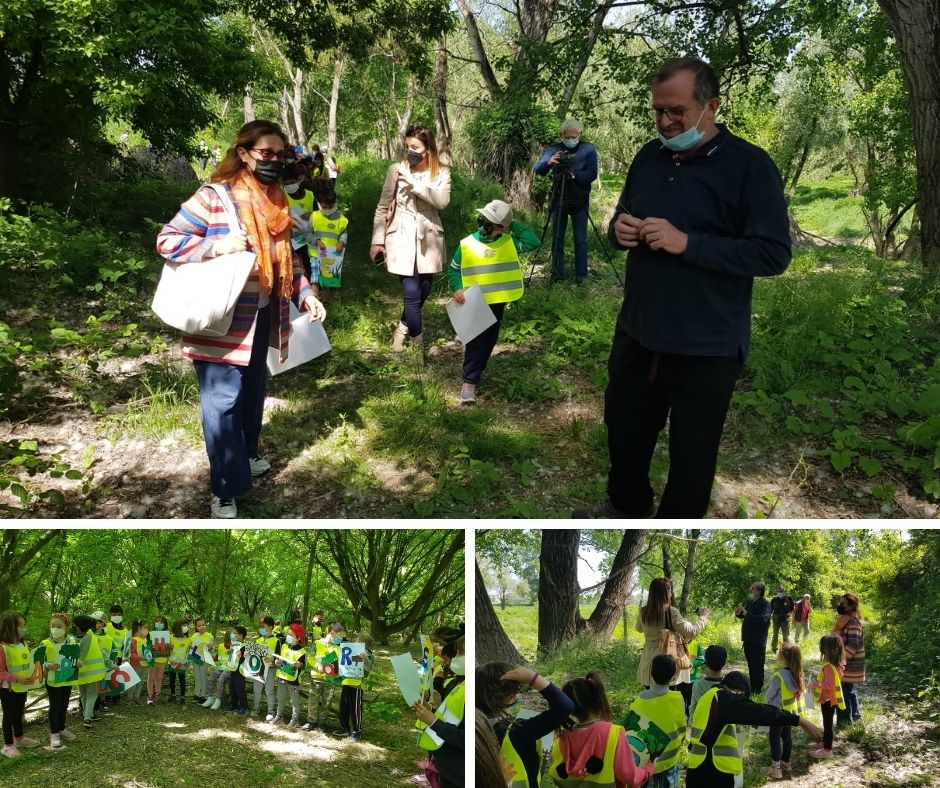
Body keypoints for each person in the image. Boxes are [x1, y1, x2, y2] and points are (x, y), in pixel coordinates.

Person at [576, 57, 791, 520]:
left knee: (692, 456)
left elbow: (773, 254)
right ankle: (626, 508)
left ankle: (671, 526)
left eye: (676, 111)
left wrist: (688, 243)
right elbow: (620, 218)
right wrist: (620, 231)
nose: (665, 122)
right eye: (658, 111)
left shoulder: (749, 166)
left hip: (707, 342)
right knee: (624, 431)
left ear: (710, 106)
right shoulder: (647, 157)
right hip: (638, 330)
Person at [156, 119, 326, 519]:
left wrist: (305, 294)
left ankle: (247, 454)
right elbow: (166, 239)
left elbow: (291, 260)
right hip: (222, 317)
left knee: (252, 395)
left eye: (280, 155)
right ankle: (225, 488)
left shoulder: (277, 200)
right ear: (245, 152)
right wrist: (218, 246)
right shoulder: (215, 197)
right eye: (266, 153)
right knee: (222, 402)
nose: (273, 161)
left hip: (262, 313)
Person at [449, 199, 540, 404]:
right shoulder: (467, 244)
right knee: (476, 341)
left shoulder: (510, 244)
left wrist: (512, 224)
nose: (483, 222)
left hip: (497, 301)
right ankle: (469, 383)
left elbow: (533, 241)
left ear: (501, 228)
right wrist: (457, 288)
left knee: (489, 339)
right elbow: (454, 269)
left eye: (490, 221)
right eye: (483, 218)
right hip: (474, 302)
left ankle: (477, 367)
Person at [371, 125, 451, 352]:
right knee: (412, 294)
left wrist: (415, 184)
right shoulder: (396, 169)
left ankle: (401, 329)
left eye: (415, 147)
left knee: (424, 290)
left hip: (430, 239)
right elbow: (383, 206)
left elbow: (443, 201)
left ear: (428, 148)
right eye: (407, 146)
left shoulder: (442, 172)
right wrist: (377, 240)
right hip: (400, 238)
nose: (410, 151)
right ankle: (418, 348)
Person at [687, 671, 821, 787]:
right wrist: (799, 721)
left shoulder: (709, 696)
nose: (742, 703)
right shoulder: (722, 700)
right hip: (713, 771)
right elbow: (760, 712)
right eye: (742, 699)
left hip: (697, 768)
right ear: (738, 692)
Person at [549, 671, 655, 787]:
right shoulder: (612, 733)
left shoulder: (562, 737)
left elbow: (558, 776)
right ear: (596, 697)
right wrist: (648, 769)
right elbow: (628, 775)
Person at [476, 662, 574, 787]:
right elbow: (565, 707)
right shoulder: (517, 732)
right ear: (512, 695)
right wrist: (533, 678)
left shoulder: (469, 727)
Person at [533, 118, 599, 285]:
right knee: (557, 238)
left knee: (581, 240)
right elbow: (538, 169)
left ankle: (582, 277)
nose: (570, 140)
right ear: (562, 135)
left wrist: (575, 176)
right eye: (567, 136)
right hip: (559, 198)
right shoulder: (555, 149)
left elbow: (592, 174)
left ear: (579, 134)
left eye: (573, 136)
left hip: (580, 199)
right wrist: (549, 162)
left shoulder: (588, 149)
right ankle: (556, 275)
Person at [635, 577, 708, 714]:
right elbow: (691, 632)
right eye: (670, 590)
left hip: (648, 660)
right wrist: (703, 618)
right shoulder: (671, 612)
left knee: (651, 699)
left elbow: (639, 628)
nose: (671, 594)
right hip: (669, 660)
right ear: (666, 592)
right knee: (670, 699)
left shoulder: (644, 612)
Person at [623, 657, 682, 787]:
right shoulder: (678, 699)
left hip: (646, 765)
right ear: (674, 676)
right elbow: (682, 729)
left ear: (651, 673)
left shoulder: (639, 701)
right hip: (669, 763)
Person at [416, 636, 465, 788]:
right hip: (447, 767)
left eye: (461, 653)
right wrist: (433, 710)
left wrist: (433, 721)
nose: (456, 658)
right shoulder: (461, 682)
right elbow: (455, 717)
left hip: (459, 773)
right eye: (457, 653)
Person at [0, 610, 40, 756]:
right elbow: (1, 671)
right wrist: (16, 678)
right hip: (8, 688)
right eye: (20, 625)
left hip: (23, 686)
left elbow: (28, 664)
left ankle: (19, 738)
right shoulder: (2, 647)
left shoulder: (23, 644)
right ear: (10, 627)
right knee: (9, 715)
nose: (23, 629)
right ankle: (8, 745)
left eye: (24, 625)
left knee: (18, 713)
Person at [763, 642, 806, 778]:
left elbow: (769, 695)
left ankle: (775, 769)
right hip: (789, 713)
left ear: (781, 656)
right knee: (786, 737)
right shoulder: (796, 673)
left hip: (777, 713)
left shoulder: (779, 675)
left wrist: (766, 699)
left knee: (774, 738)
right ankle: (785, 762)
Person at [39, 612, 79, 748]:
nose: (55, 629)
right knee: (55, 705)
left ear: (66, 627)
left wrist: (77, 662)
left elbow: (74, 656)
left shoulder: (72, 641)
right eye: (53, 626)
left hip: (67, 678)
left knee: (64, 704)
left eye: (59, 626)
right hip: (53, 680)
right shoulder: (45, 643)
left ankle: (61, 728)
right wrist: (47, 665)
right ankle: (54, 732)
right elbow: (37, 661)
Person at [310, 180, 348, 302]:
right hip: (316, 253)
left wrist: (341, 242)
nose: (327, 209)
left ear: (335, 204)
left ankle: (326, 302)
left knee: (327, 279)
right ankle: (314, 301)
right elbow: (308, 233)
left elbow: (344, 233)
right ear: (319, 204)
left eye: (330, 207)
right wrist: (316, 241)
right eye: (324, 207)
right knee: (315, 278)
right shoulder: (314, 216)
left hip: (332, 254)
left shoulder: (341, 219)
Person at [303, 621, 344, 731]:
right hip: (316, 677)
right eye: (339, 636)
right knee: (313, 700)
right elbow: (310, 658)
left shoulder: (338, 648)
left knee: (327, 702)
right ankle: (311, 721)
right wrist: (317, 666)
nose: (340, 639)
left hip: (330, 680)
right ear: (332, 633)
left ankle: (322, 723)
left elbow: (340, 664)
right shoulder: (317, 643)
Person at [832, 592, 865, 725]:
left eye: (843, 604)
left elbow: (854, 644)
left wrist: (841, 660)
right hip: (844, 662)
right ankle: (855, 716)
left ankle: (845, 720)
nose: (839, 606)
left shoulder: (853, 622)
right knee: (848, 689)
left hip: (848, 663)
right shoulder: (844, 620)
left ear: (851, 606)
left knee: (843, 692)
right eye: (839, 603)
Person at [812, 634, 846, 759]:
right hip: (830, 699)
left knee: (828, 724)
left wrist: (815, 684)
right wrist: (818, 676)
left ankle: (827, 750)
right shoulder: (837, 664)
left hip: (827, 700)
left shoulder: (829, 667)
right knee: (827, 722)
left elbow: (828, 685)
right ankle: (824, 743)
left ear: (827, 650)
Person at [734, 580, 771, 694]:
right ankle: (753, 688)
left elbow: (762, 619)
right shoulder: (751, 603)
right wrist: (739, 613)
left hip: (758, 642)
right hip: (748, 641)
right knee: (751, 665)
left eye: (753, 588)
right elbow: (746, 616)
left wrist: (746, 613)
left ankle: (757, 690)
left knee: (757, 667)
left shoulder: (765, 604)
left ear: (759, 591)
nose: (750, 590)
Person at [336, 632, 374, 741]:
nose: (355, 642)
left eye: (357, 640)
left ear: (363, 643)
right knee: (344, 706)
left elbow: (368, 669)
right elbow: (347, 662)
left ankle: (357, 730)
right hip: (347, 682)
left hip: (357, 686)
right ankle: (344, 727)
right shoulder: (352, 650)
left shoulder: (368, 654)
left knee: (355, 709)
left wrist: (365, 659)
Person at [72, 613, 107, 730]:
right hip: (91, 673)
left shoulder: (71, 639)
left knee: (84, 695)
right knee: (91, 695)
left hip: (79, 673)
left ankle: (88, 714)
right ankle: (87, 717)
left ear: (78, 627)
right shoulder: (90, 638)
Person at [272, 623, 307, 727]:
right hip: (282, 677)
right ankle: (279, 716)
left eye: (291, 635)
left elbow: (303, 665)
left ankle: (295, 719)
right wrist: (276, 662)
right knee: (280, 697)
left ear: (298, 638)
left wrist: (299, 664)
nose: (288, 637)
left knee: (294, 700)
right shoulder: (283, 646)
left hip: (293, 680)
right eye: (288, 634)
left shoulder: (302, 651)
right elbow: (278, 659)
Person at [689, 644, 726, 720]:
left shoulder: (698, 685)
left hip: (704, 727)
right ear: (724, 663)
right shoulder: (729, 684)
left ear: (706, 662)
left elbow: (693, 709)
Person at [203, 628, 237, 710]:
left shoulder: (236, 647)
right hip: (221, 668)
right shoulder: (221, 646)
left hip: (230, 669)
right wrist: (211, 658)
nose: (229, 644)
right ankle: (210, 698)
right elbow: (217, 657)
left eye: (231, 642)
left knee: (220, 679)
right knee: (211, 678)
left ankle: (218, 700)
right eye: (228, 642)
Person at [253, 615, 279, 720]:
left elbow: (278, 657)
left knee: (269, 690)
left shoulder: (277, 641)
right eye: (261, 626)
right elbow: (254, 655)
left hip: (270, 670)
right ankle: (255, 708)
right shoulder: (258, 640)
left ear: (270, 627)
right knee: (257, 689)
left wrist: (272, 660)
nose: (261, 628)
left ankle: (271, 712)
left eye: (263, 626)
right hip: (258, 669)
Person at [125, 618, 152, 706]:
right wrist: (141, 658)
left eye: (147, 628)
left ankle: (137, 698)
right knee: (133, 682)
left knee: (140, 682)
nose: (146, 630)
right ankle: (130, 699)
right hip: (136, 665)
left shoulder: (146, 640)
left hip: (145, 665)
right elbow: (131, 654)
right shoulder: (134, 640)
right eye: (145, 628)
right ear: (138, 628)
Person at [189, 616, 214, 704]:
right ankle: (197, 694)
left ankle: (203, 695)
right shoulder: (194, 636)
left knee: (203, 677)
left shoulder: (210, 636)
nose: (201, 627)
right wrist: (190, 646)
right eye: (199, 625)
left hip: (204, 659)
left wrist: (211, 648)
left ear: (206, 625)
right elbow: (191, 646)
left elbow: (212, 649)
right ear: (196, 627)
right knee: (197, 677)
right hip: (195, 658)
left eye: (203, 625)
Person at [167, 617, 192, 704]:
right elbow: (168, 651)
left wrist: (186, 661)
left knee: (182, 679)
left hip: (182, 663)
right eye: (184, 625)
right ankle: (173, 694)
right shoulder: (171, 638)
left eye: (186, 625)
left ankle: (182, 696)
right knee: (172, 678)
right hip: (172, 662)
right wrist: (171, 660)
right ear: (178, 627)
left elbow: (189, 652)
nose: (186, 627)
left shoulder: (189, 640)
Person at [148, 615, 170, 704]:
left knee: (159, 678)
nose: (159, 623)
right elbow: (147, 646)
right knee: (151, 678)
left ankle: (157, 694)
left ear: (165, 624)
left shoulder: (167, 634)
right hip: (153, 660)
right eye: (157, 621)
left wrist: (170, 647)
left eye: (161, 622)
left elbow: (168, 647)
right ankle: (150, 695)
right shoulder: (150, 634)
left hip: (162, 660)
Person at [227, 626, 249, 715]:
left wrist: (243, 655)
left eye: (234, 633)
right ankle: (233, 704)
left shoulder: (245, 646)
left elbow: (247, 658)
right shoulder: (234, 644)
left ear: (240, 635)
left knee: (240, 688)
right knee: (232, 687)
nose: (232, 634)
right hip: (233, 669)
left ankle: (244, 707)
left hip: (241, 671)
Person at [769, 586, 794, 652]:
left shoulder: (788, 598)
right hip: (776, 619)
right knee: (775, 634)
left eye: (782, 591)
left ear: (784, 591)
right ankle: (774, 648)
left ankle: (786, 648)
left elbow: (792, 608)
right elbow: (770, 609)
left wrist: (790, 613)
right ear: (777, 591)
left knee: (785, 634)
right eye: (779, 591)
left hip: (785, 619)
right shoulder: (774, 599)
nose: (780, 592)